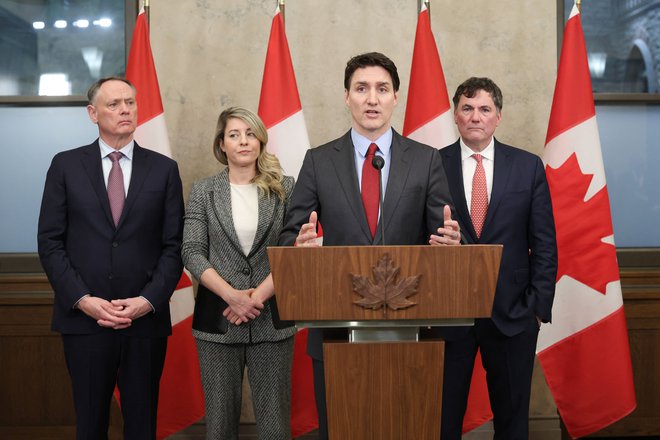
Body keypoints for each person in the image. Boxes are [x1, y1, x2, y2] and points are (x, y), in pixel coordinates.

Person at [278, 52, 461, 440]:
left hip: (411, 327)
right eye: (362, 89)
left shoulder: (426, 160)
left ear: (396, 97)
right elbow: (289, 236)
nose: (372, 99)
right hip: (336, 329)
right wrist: (300, 245)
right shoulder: (318, 161)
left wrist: (450, 244)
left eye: (382, 89)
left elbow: (440, 235)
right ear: (347, 97)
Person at [37, 77, 184, 439]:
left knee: (142, 424)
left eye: (130, 103)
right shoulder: (66, 166)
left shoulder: (163, 169)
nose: (125, 110)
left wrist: (147, 301)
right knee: (90, 424)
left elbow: (174, 246)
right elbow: (50, 242)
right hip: (85, 320)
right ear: (93, 113)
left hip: (144, 321)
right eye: (115, 104)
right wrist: (84, 300)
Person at [438, 77, 558, 439]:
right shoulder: (430, 164)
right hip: (448, 312)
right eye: (467, 108)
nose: (476, 116)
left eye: (485, 109)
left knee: (512, 421)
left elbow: (545, 243)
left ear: (498, 117)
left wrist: (537, 307)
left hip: (513, 313)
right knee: (442, 420)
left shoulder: (527, 166)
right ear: (455, 116)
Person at [181, 107, 296, 440]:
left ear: (260, 140)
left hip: (271, 318)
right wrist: (232, 297)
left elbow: (293, 252)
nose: (243, 141)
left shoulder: (285, 188)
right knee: (219, 427)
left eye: (249, 133)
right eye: (234, 135)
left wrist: (254, 298)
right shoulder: (203, 191)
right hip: (218, 319)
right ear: (222, 144)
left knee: (275, 427)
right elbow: (191, 251)